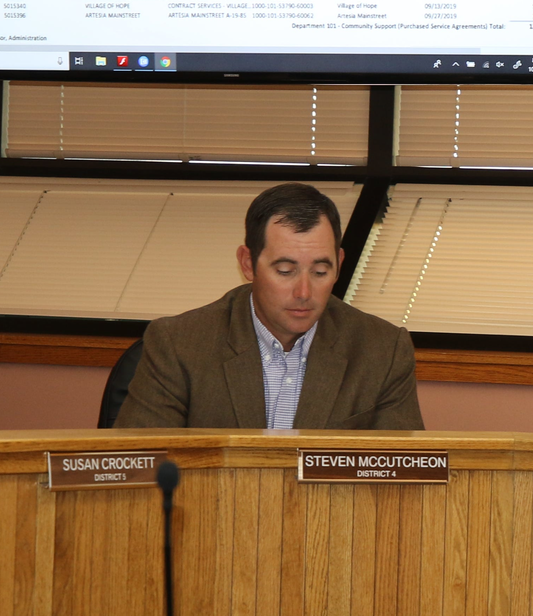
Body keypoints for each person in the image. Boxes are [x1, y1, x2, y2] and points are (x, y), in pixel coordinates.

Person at [114, 182, 424, 430]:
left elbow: (403, 480)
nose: (304, 291)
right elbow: (141, 468)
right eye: (285, 271)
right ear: (248, 264)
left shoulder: (383, 351)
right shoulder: (179, 344)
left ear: (339, 264)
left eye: (320, 272)